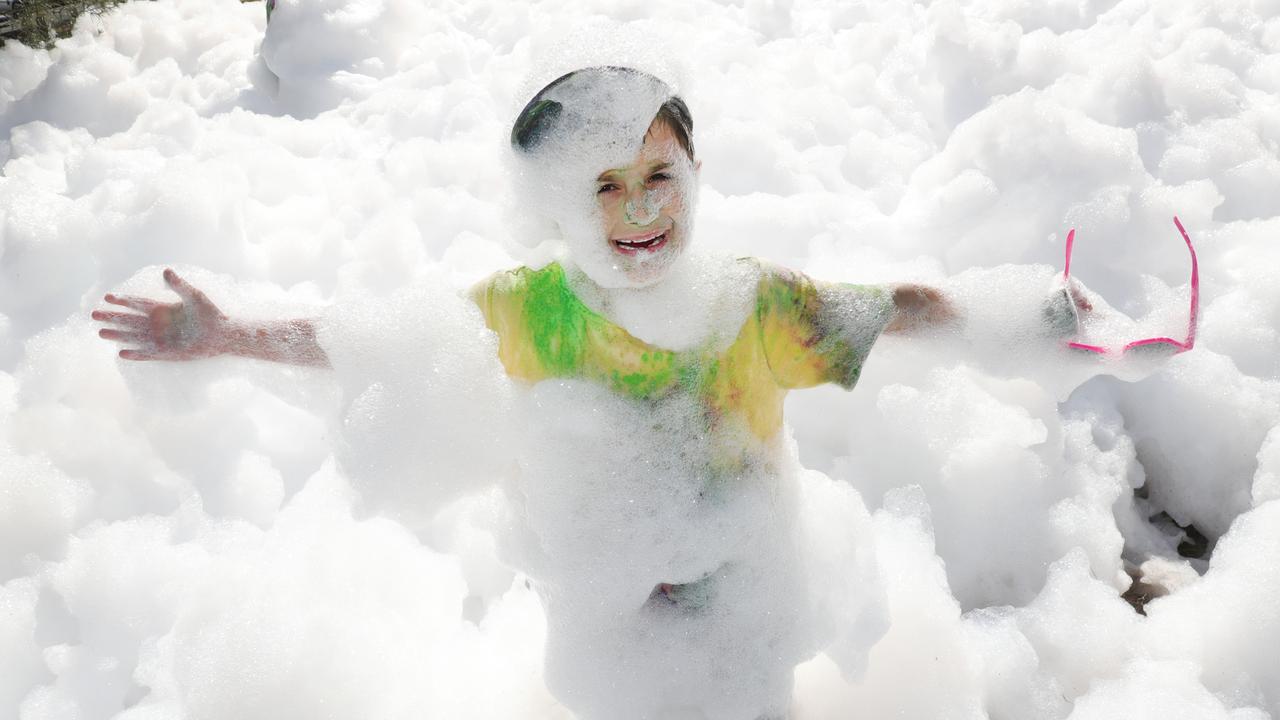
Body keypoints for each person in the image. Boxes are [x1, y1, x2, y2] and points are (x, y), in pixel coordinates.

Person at [94, 67, 1076, 720]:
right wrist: (229, 334)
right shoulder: (535, 310)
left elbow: (893, 308)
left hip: (747, 619)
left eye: (659, 171)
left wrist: (1009, 316)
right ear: (557, 204)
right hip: (612, 642)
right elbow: (380, 344)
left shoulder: (751, 304)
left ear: (695, 173)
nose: (639, 206)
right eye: (603, 185)